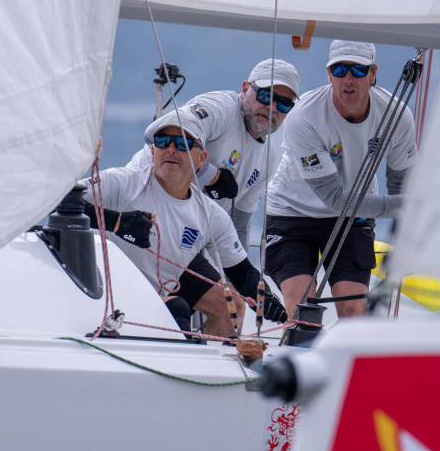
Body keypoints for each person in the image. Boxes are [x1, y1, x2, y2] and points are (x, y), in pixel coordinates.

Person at [82, 108, 287, 338]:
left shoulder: (211, 215)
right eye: (162, 141)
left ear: (201, 159)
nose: (170, 149)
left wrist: (265, 298)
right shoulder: (121, 183)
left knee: (232, 306)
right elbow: (63, 199)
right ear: (152, 151)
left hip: (158, 291)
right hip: (108, 289)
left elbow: (241, 272)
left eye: (183, 143)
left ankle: (206, 371)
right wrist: (117, 222)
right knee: (177, 309)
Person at [264, 40, 418, 319]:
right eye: (339, 69)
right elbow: (336, 200)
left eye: (358, 70)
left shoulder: (397, 115)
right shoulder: (304, 117)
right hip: (292, 214)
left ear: (373, 74)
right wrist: (410, 205)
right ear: (328, 75)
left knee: (353, 310)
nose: (348, 79)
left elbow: (400, 185)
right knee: (302, 311)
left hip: (352, 219)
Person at [127, 59, 300, 246]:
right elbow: (154, 132)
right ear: (245, 88)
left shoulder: (268, 158)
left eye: (283, 105)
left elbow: (239, 225)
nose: (272, 108)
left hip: (184, 233)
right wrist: (213, 177)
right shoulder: (218, 109)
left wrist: (239, 270)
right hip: (138, 209)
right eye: (266, 96)